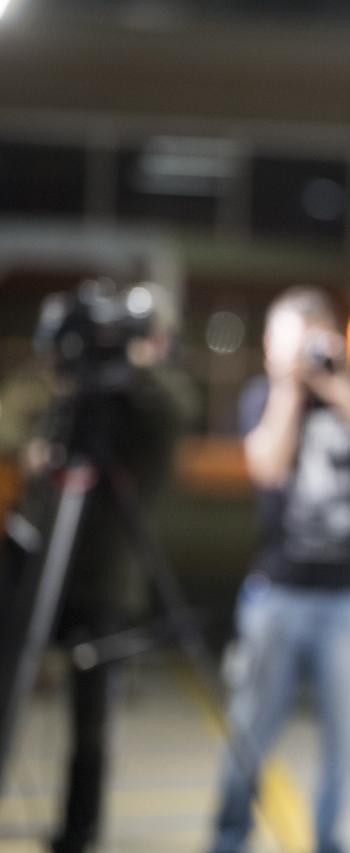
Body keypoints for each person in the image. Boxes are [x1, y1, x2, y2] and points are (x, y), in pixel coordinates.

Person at [208, 286, 350, 853]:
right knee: (250, 730)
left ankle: (327, 839)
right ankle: (229, 838)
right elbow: (269, 468)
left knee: (344, 741)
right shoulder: (264, 397)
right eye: (291, 343)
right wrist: (288, 389)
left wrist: (346, 395)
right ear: (271, 348)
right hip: (279, 592)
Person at [0, 280, 193, 853]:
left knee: (90, 728)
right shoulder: (64, 396)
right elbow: (11, 420)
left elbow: (175, 406)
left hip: (104, 582)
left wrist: (133, 361)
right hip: (35, 567)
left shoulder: (146, 408)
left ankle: (77, 835)